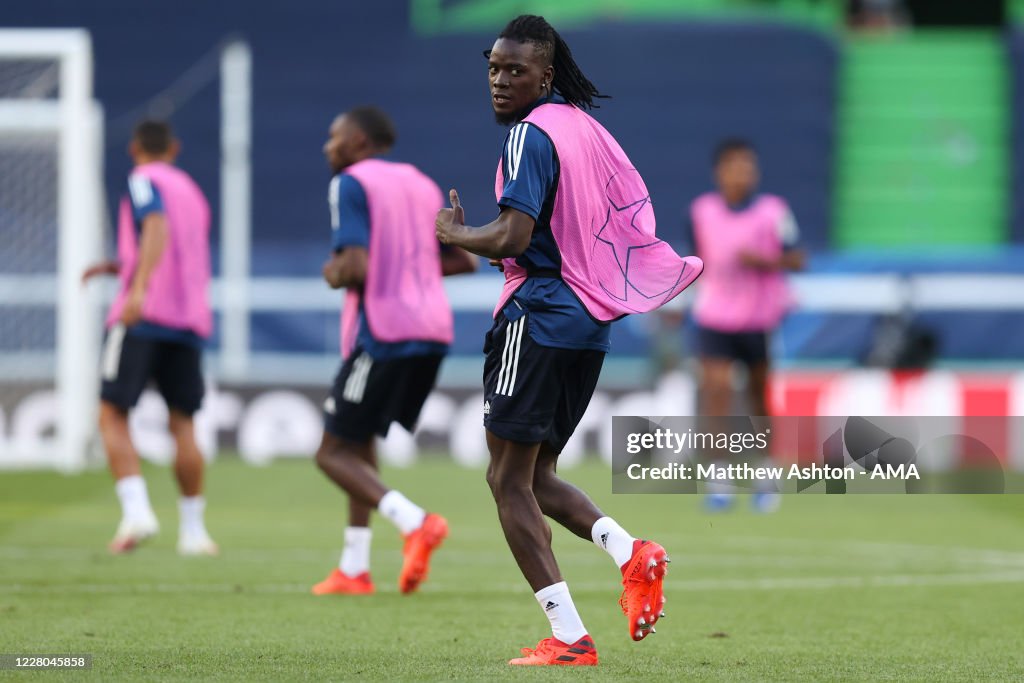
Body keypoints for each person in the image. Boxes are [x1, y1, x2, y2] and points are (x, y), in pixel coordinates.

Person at [435, 15, 702, 666]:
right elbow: (620, 213)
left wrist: (455, 233)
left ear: (545, 75)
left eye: (515, 71)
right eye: (494, 69)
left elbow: (514, 236)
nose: (500, 82)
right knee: (535, 474)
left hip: (540, 312)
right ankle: (631, 552)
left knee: (505, 480)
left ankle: (570, 636)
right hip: (587, 320)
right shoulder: (585, 129)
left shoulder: (530, 134)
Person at [311, 106, 477, 597]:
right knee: (359, 444)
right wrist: (408, 275)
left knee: (330, 453)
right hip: (432, 329)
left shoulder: (350, 183)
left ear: (358, 140)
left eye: (334, 136)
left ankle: (415, 522)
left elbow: (355, 266)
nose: (328, 146)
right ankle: (354, 568)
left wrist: (333, 272)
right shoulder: (419, 184)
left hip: (382, 330)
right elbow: (461, 261)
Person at [81, 120, 217, 555]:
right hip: (188, 319)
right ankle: (194, 532)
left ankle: (137, 512)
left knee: (111, 413)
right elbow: (178, 251)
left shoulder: (142, 180)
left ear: (135, 147)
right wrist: (120, 266)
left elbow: (155, 227)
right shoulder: (192, 192)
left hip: (142, 316)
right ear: (174, 149)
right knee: (183, 423)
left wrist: (137, 289)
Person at [685, 138, 805, 512]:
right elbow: (697, 260)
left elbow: (797, 259)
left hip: (758, 319)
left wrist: (764, 261)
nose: (743, 174)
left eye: (749, 167)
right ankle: (719, 480)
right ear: (719, 172)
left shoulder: (773, 212)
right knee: (717, 392)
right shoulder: (701, 211)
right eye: (736, 166)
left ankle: (766, 474)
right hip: (715, 317)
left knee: (758, 397)